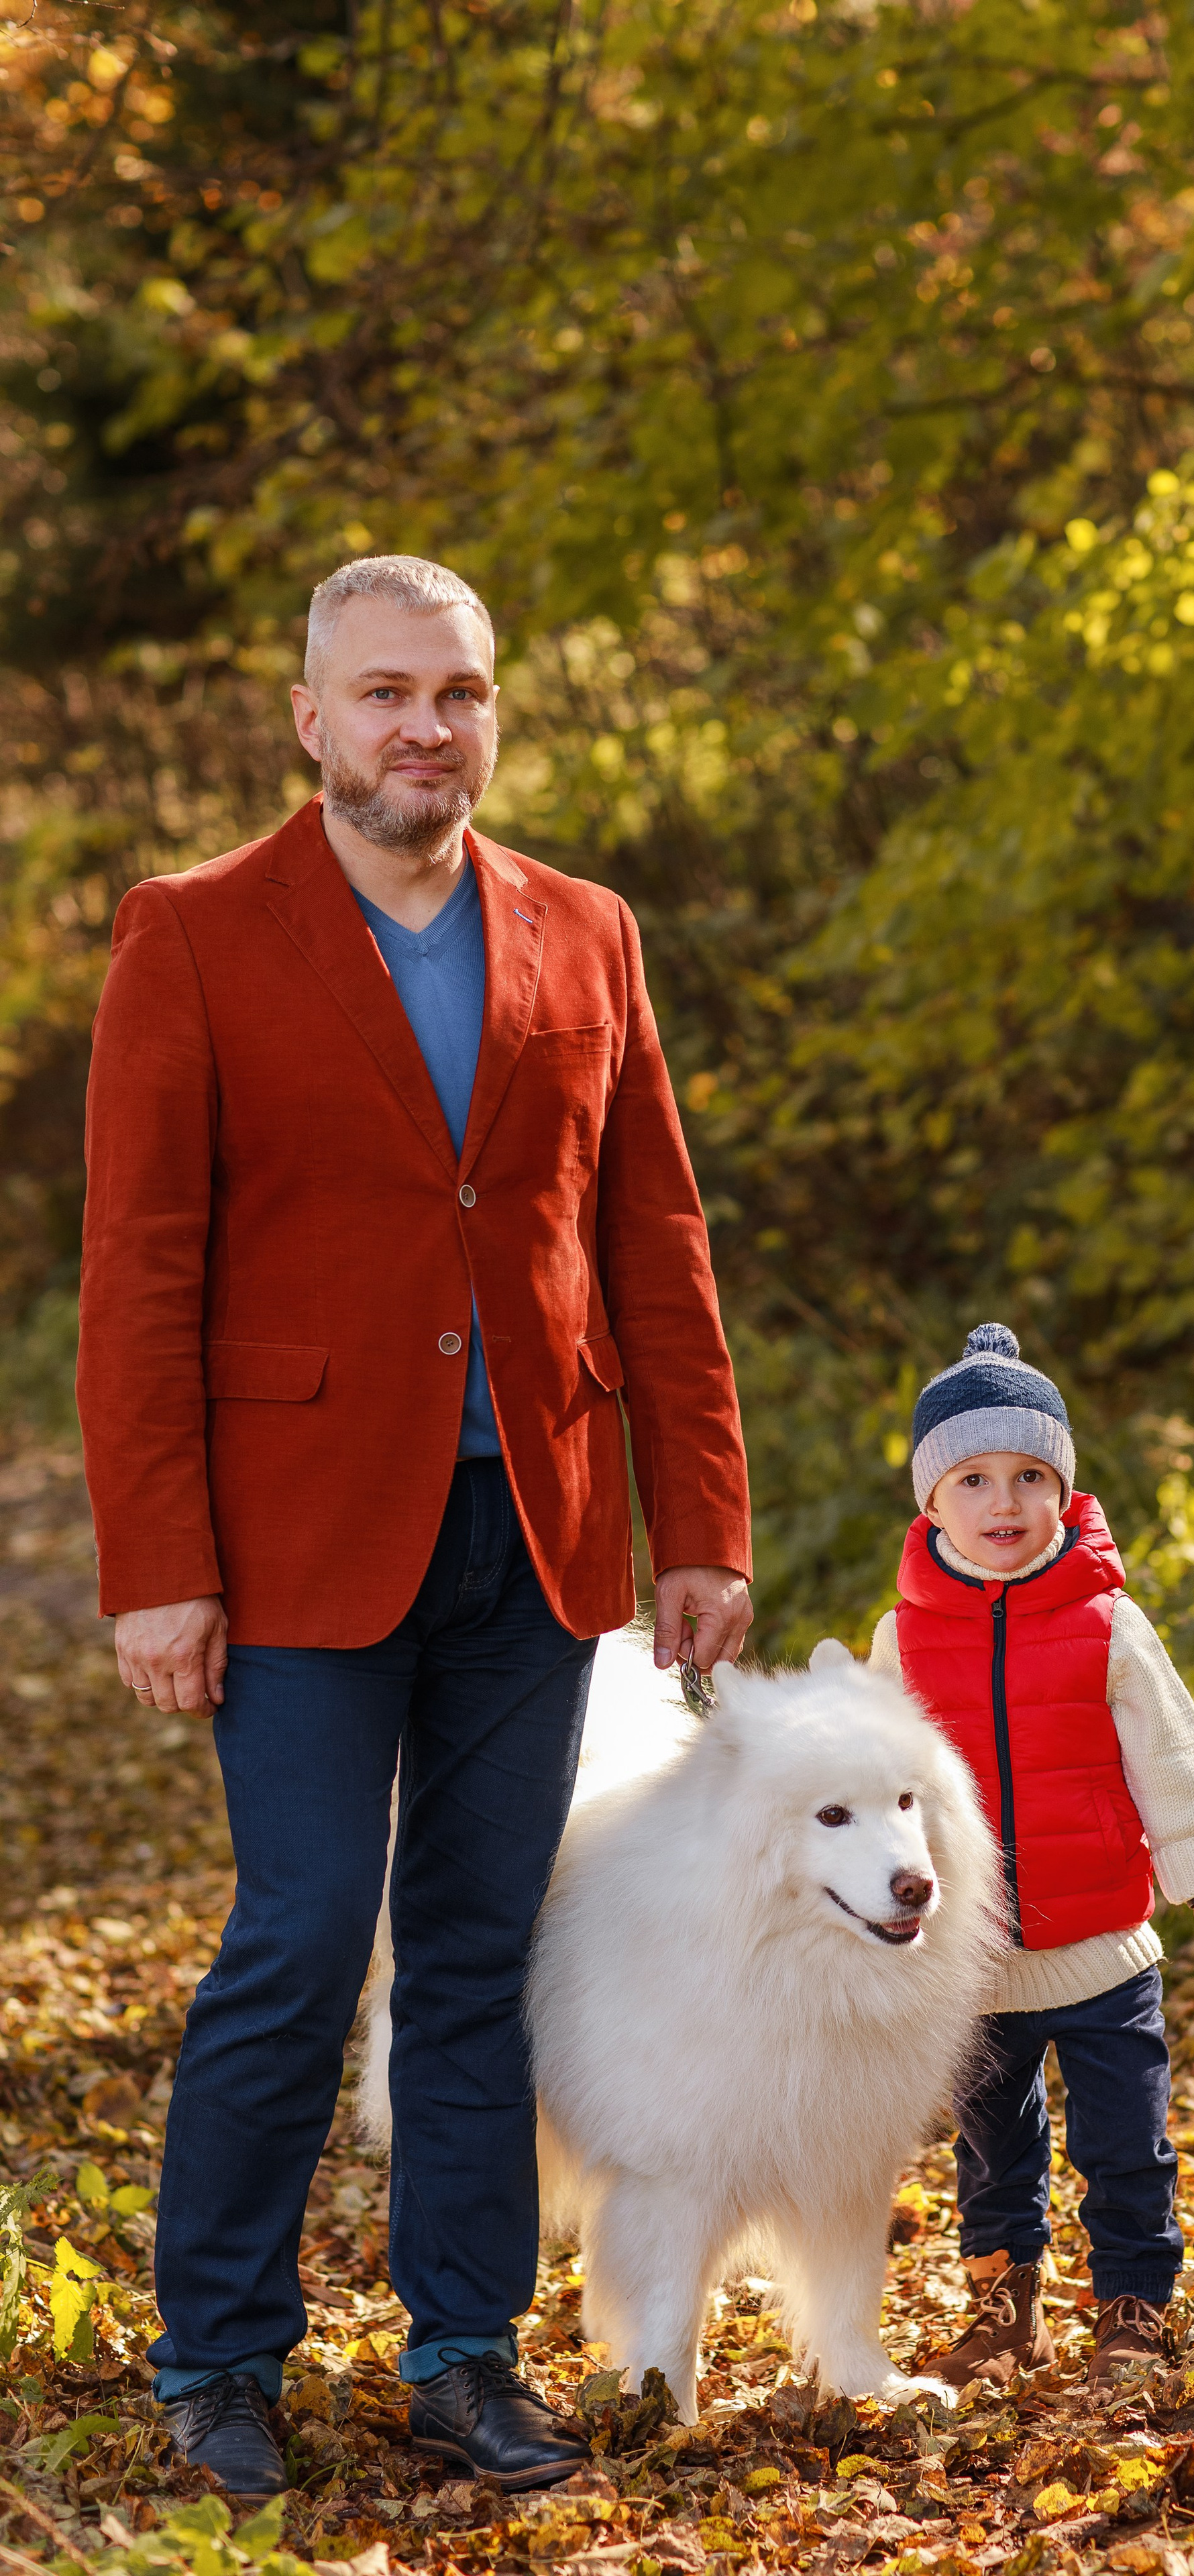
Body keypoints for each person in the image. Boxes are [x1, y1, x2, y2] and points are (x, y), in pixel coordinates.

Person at [77, 554, 753, 2497]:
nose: (422, 728)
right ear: (311, 719)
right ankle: (218, 2359)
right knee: (298, 1941)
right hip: (292, 1537)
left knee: (477, 1953)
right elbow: (141, 1273)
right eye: (383, 694)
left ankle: (464, 2351)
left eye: (455, 692)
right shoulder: (193, 935)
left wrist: (696, 1518)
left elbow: (654, 1237)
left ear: (491, 710)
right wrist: (162, 1568)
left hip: (532, 1524)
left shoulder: (586, 931)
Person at [869, 1324, 1194, 2391]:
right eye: (975, 1479)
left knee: (1126, 2145)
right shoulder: (903, 1638)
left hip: (1106, 1956)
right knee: (994, 2156)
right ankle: (1004, 2307)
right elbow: (876, 1789)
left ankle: (1133, 2307)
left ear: (1065, 1491)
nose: (1005, 1503)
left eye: (1032, 1476)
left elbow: (1170, 1754)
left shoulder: (1105, 1621)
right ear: (931, 1503)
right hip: (975, 1964)